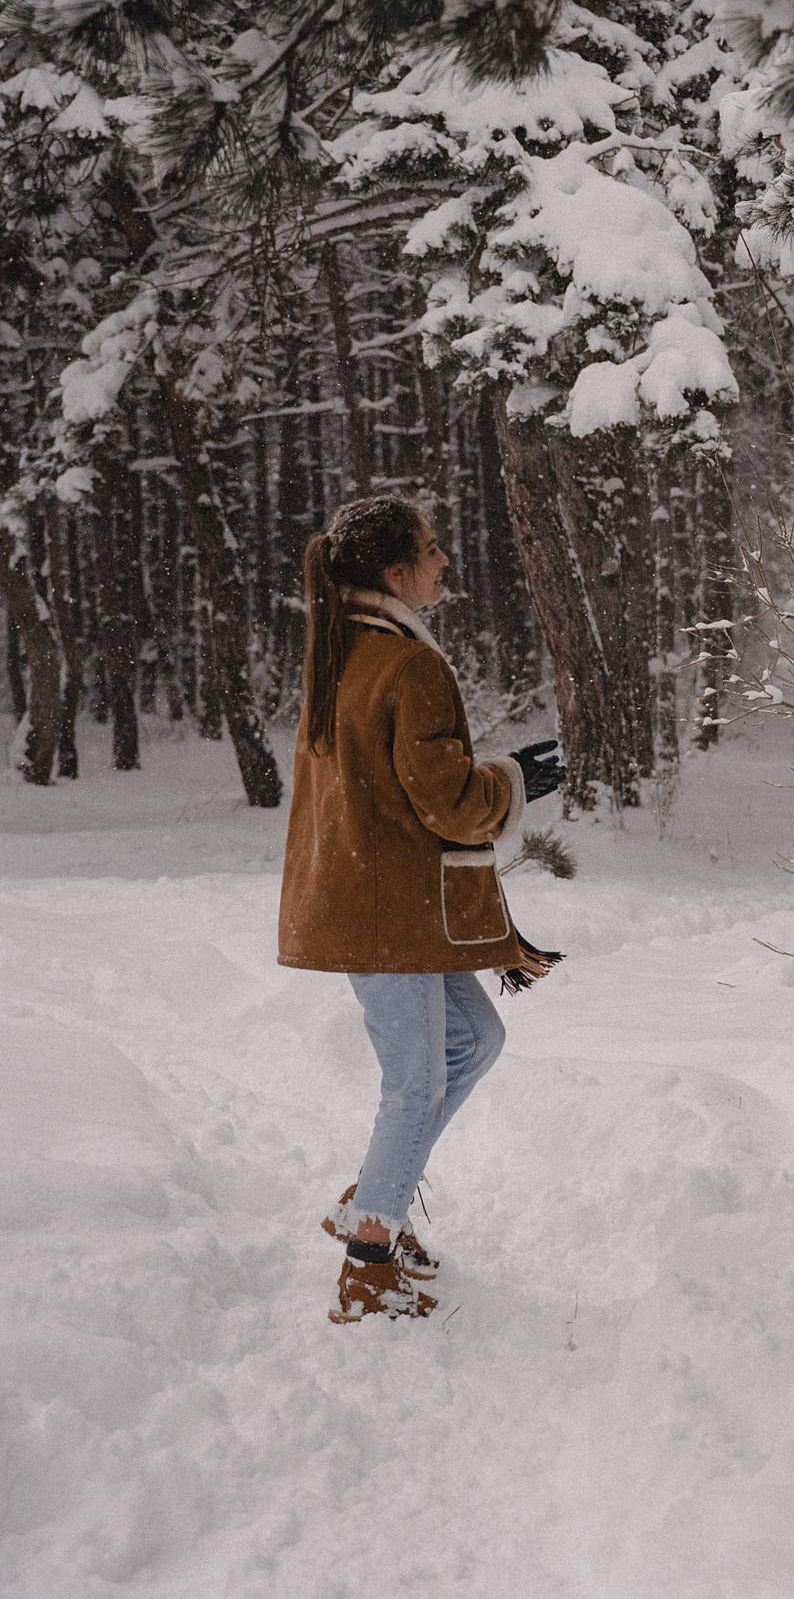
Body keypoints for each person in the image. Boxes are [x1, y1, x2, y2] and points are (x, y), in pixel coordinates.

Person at [278, 495, 566, 1323]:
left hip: (381, 903)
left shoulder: (346, 652)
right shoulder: (407, 664)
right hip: (383, 913)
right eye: (433, 549)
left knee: (477, 1038)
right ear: (395, 572)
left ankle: (376, 1190)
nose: (446, 562)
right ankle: (367, 1267)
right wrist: (513, 781)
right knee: (414, 1085)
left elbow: (396, 807)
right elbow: (447, 803)